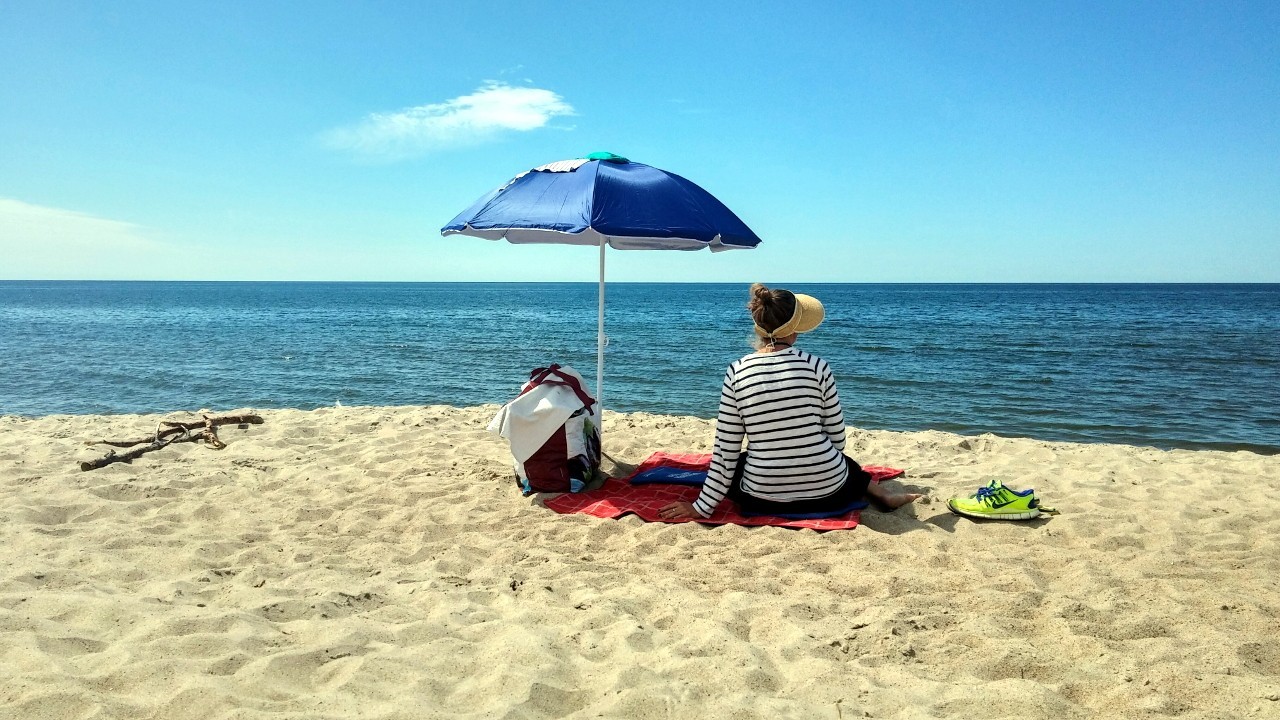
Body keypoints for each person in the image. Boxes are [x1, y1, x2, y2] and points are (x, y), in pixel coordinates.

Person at [659, 284, 920, 520]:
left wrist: (701, 507)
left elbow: (725, 451)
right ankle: (883, 495)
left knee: (739, 464)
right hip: (829, 492)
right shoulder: (817, 367)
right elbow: (837, 439)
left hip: (762, 499)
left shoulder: (737, 371)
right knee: (846, 466)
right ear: (795, 328)